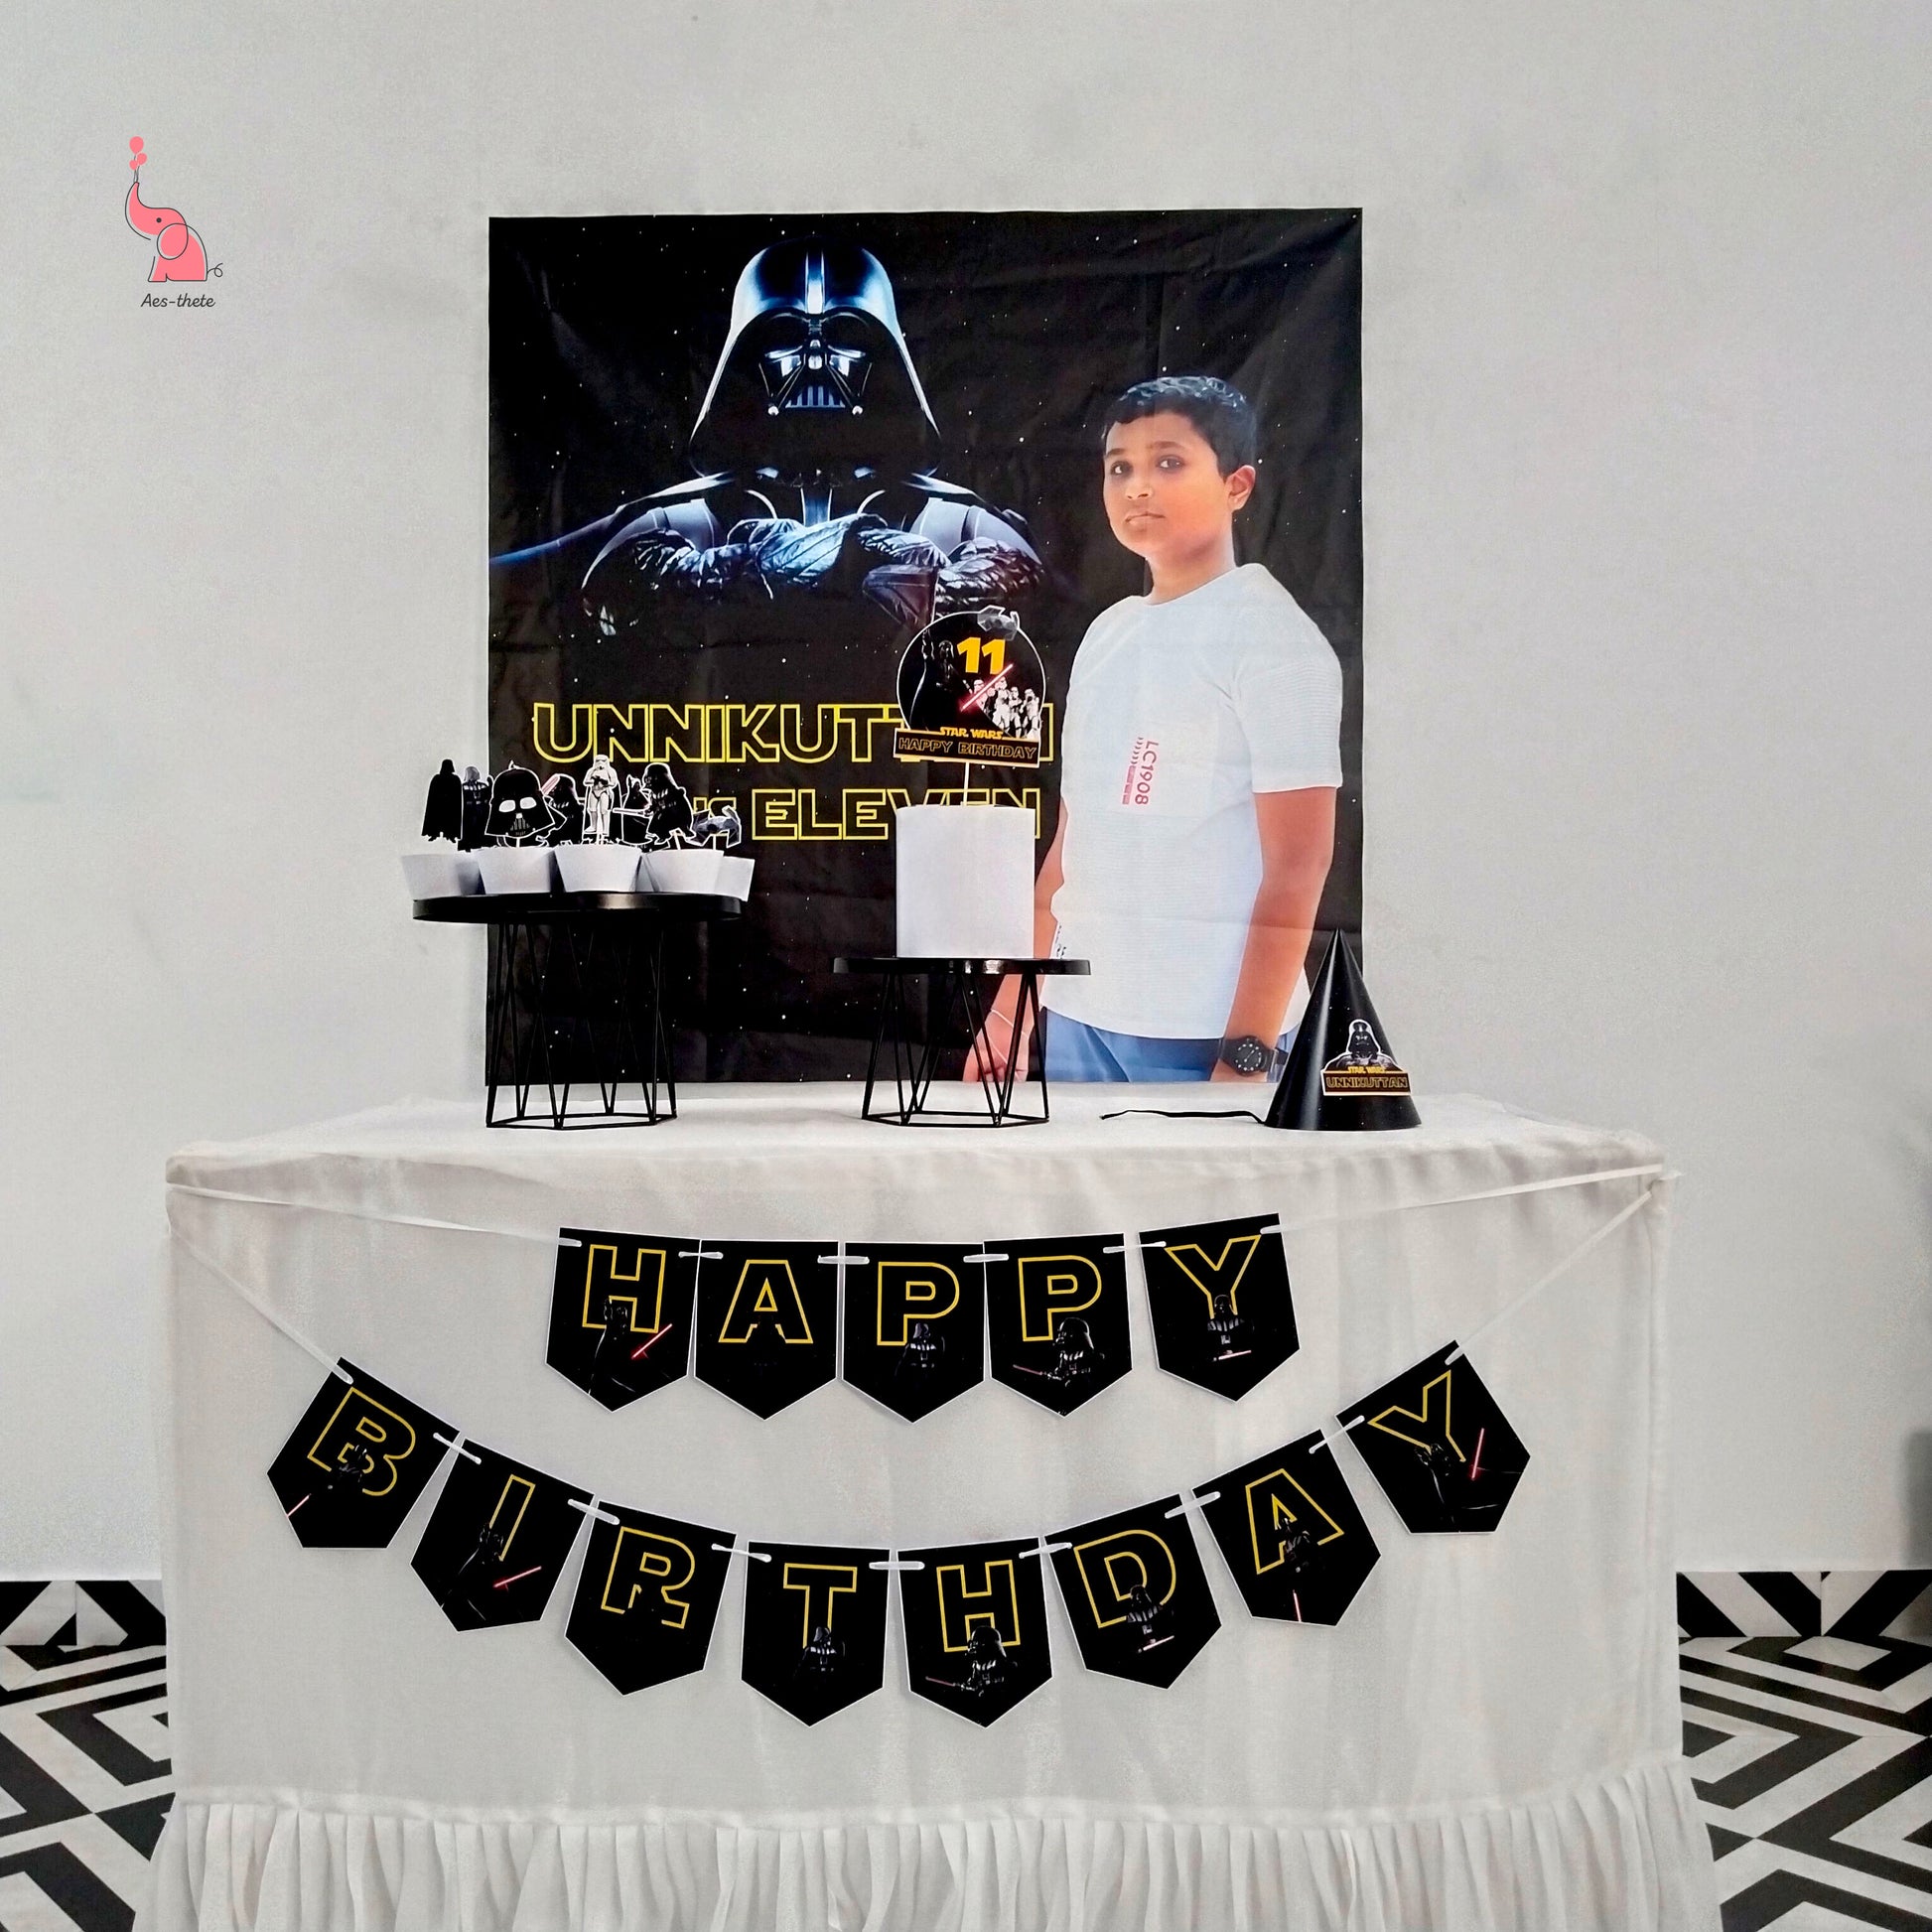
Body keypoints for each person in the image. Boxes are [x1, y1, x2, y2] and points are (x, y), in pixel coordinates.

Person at [973, 375, 1342, 1084]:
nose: (1138, 486)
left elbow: (1300, 865)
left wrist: (1247, 1054)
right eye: (1120, 467)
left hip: (1206, 1030)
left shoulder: (1272, 637)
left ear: (1237, 485)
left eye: (1169, 462)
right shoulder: (1108, 635)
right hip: (1079, 1016)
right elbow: (1071, 846)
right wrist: (1011, 1012)